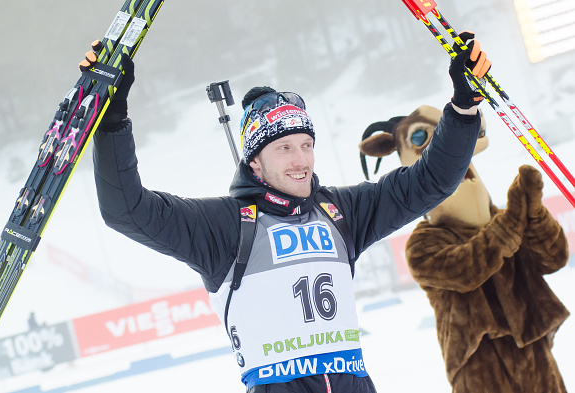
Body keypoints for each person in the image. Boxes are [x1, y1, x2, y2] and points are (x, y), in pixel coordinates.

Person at [85, 32, 490, 392]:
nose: (301, 160)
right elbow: (127, 209)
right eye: (283, 148)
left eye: (306, 145)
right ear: (255, 162)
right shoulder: (225, 225)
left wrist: (464, 107)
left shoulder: (340, 210)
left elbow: (433, 180)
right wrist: (113, 118)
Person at [358, 103, 569, 392]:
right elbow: (466, 269)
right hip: (478, 363)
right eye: (422, 138)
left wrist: (534, 215)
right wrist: (512, 221)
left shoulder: (502, 218)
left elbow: (553, 258)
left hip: (533, 354)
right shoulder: (424, 243)